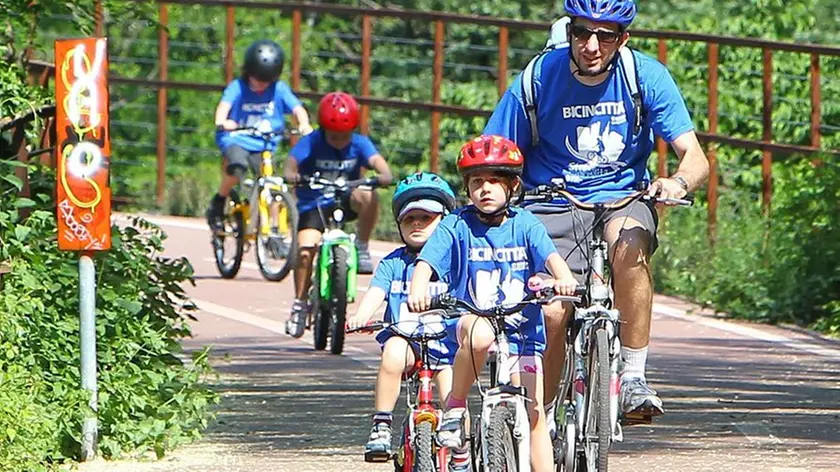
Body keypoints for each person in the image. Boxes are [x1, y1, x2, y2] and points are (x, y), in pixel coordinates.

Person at [482, 0, 710, 428]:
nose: (591, 45)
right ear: (568, 31)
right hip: (551, 202)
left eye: (605, 36)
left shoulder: (646, 76)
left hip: (622, 198)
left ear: (622, 39)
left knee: (630, 246)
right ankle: (540, 418)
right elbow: (496, 153)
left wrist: (676, 183)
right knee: (554, 307)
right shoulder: (537, 78)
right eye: (582, 33)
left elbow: (695, 157)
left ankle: (634, 377)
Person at [407, 135, 579, 472]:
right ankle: (456, 407)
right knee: (480, 334)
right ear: (467, 188)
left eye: (495, 181)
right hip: (473, 317)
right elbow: (426, 263)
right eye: (476, 182)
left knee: (534, 415)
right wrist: (418, 287)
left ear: (513, 186)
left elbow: (552, 259)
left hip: (522, 331)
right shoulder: (457, 224)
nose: (485, 188)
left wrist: (563, 279)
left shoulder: (525, 224)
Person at [346, 172, 472, 471]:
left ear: (445, 221)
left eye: (426, 217)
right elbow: (377, 291)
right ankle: (381, 425)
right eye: (409, 218)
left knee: (454, 397)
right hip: (408, 340)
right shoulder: (394, 262)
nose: (417, 224)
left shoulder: (456, 260)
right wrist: (362, 315)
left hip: (448, 346)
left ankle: (462, 451)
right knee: (392, 352)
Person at [284, 91, 394, 338]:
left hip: (345, 198)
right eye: (333, 136)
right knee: (304, 252)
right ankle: (300, 304)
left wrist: (383, 175)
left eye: (344, 136)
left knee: (368, 193)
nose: (339, 141)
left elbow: (378, 163)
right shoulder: (311, 142)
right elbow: (291, 162)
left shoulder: (359, 143)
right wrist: (292, 174)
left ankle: (362, 245)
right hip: (314, 203)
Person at [207, 39, 313, 242]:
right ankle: (219, 200)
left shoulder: (279, 89)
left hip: (264, 143)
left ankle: (274, 232)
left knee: (271, 184)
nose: (261, 85)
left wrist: (304, 124)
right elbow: (224, 106)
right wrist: (223, 121)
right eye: (257, 79)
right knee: (236, 168)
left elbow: (298, 109)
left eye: (266, 81)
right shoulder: (237, 87)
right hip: (236, 138)